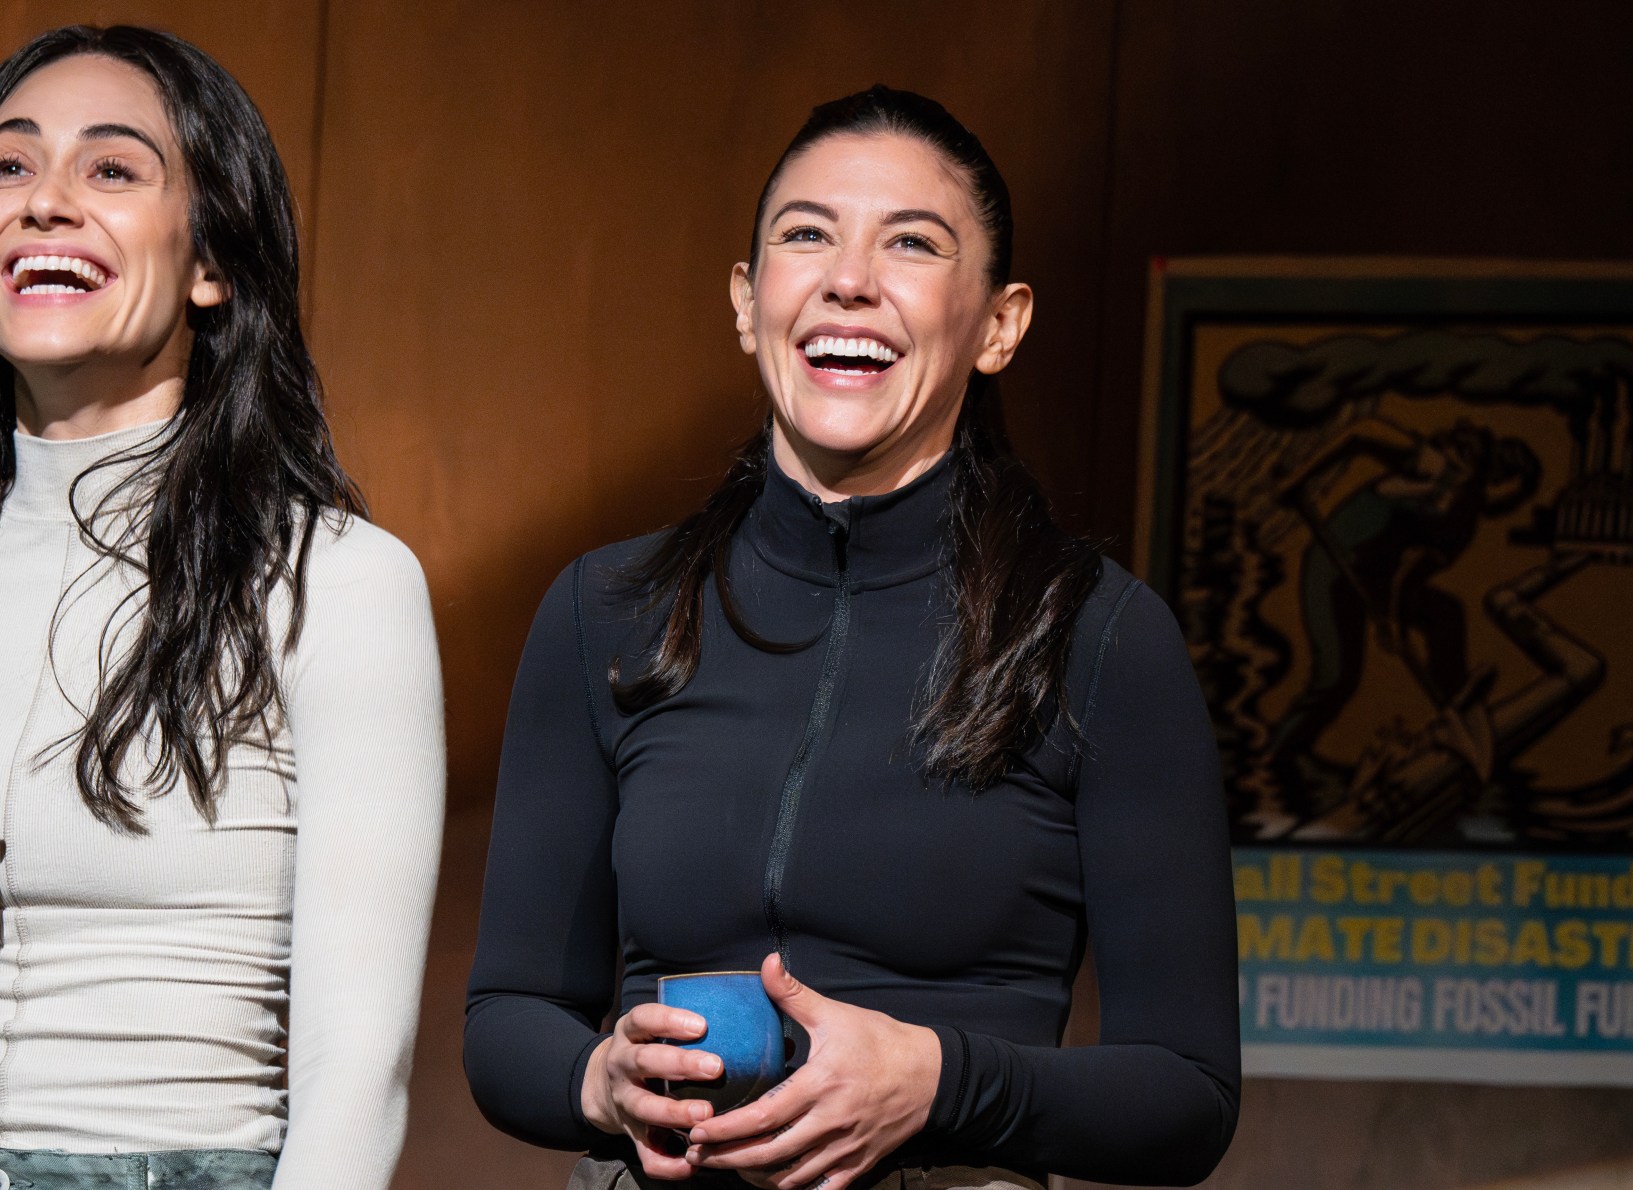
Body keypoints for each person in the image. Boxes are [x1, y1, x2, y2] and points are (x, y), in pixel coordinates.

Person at [463, 86, 1238, 1190]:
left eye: (911, 244)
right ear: (747, 299)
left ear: (1000, 322)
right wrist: (597, 1077)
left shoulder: (1097, 634)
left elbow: (1187, 1094)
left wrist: (941, 1079)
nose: (849, 279)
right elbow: (505, 1017)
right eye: (806, 233)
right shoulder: (606, 608)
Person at [0, 26, 443, 1190]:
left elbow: (355, 1077)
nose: (45, 202)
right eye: (9, 168)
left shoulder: (337, 579)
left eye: (111, 169)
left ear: (212, 260)